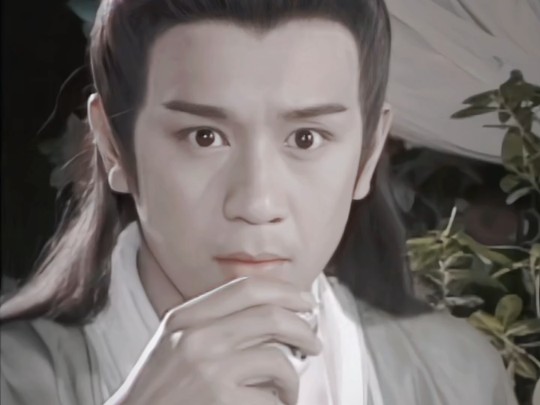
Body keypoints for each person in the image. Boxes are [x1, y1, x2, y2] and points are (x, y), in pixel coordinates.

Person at [0, 0, 518, 404]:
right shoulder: (14, 378)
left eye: (306, 139)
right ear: (113, 145)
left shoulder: (457, 378)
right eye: (204, 137)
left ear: (368, 153)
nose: (257, 201)